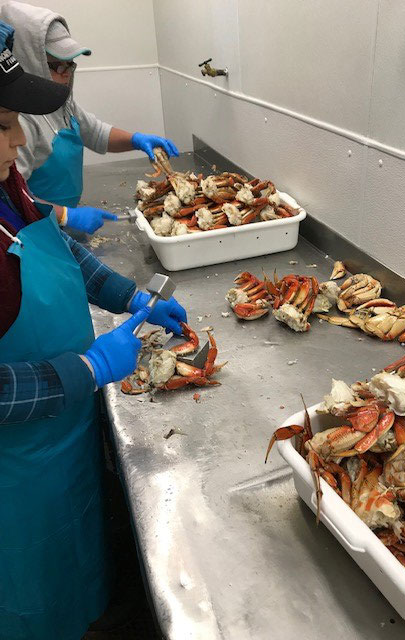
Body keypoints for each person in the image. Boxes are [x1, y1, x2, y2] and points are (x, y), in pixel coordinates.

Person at [0, 23, 187, 640]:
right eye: (2, 125)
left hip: (64, 436)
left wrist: (130, 295)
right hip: (13, 473)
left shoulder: (7, 187)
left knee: (80, 556)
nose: (20, 140)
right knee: (30, 592)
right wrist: (89, 369)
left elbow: (60, 251)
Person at [0, 1, 179, 234]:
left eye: (70, 65)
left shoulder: (62, 105)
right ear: (30, 59)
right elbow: (13, 198)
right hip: (37, 226)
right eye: (56, 66)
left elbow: (95, 132)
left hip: (64, 220)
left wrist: (135, 139)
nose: (66, 75)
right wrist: (65, 215)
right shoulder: (18, 121)